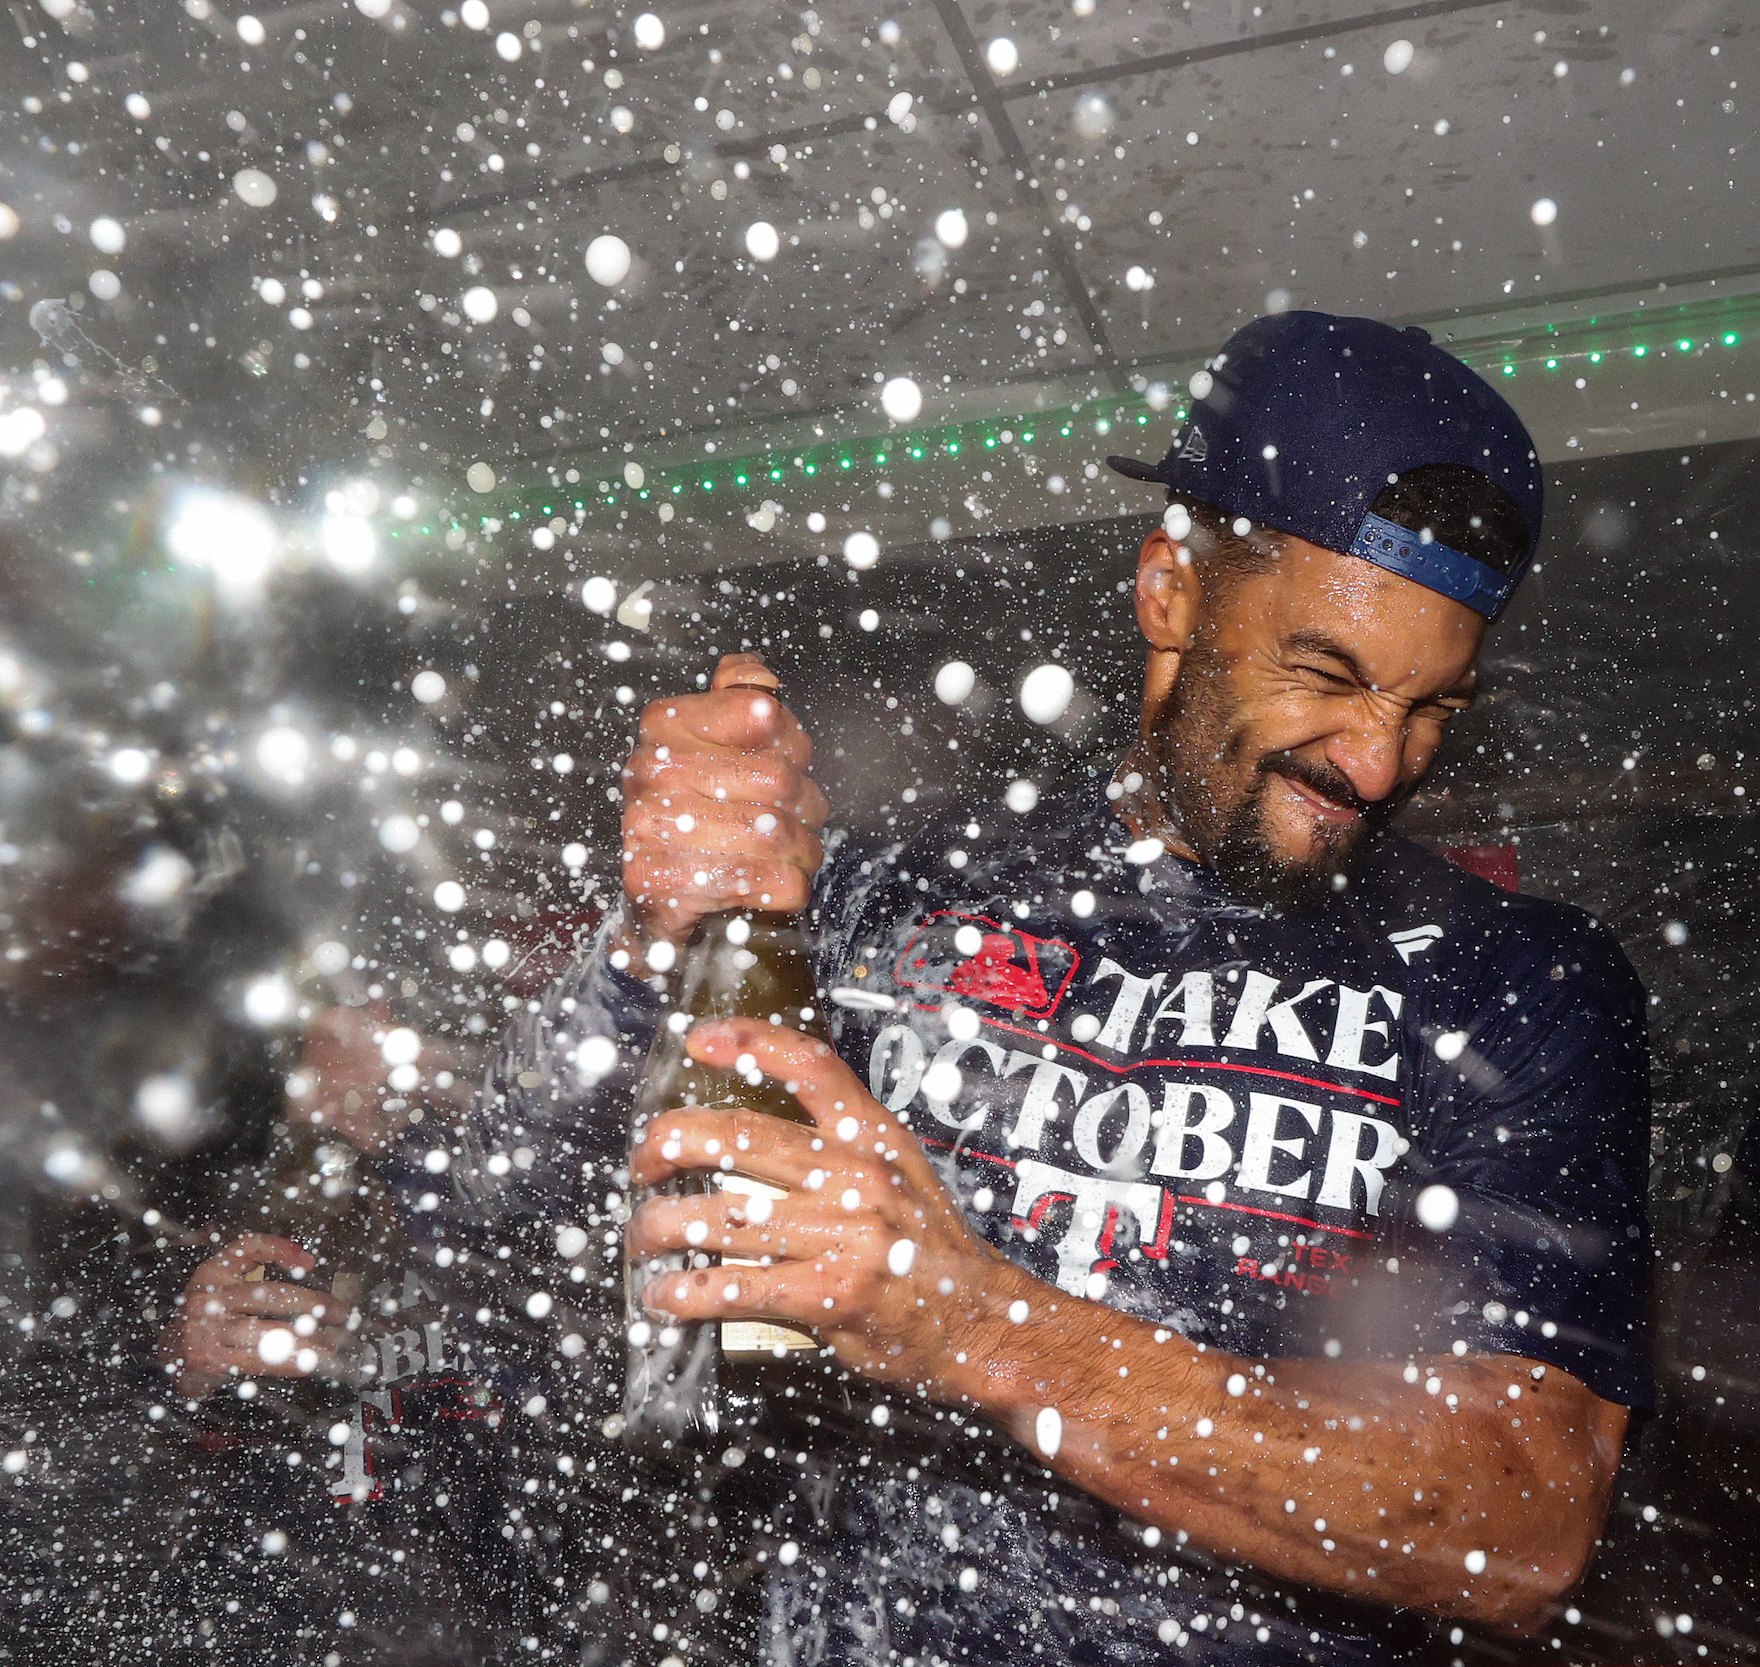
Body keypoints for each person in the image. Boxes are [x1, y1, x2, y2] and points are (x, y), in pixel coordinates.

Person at [486, 312, 1652, 1664]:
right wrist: (649, 954)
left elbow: (1517, 1518)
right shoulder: (888, 896)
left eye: (1433, 706)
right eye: (1324, 674)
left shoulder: (1518, 986)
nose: (1379, 764)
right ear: (1172, 592)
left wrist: (972, 1326)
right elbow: (497, 1222)